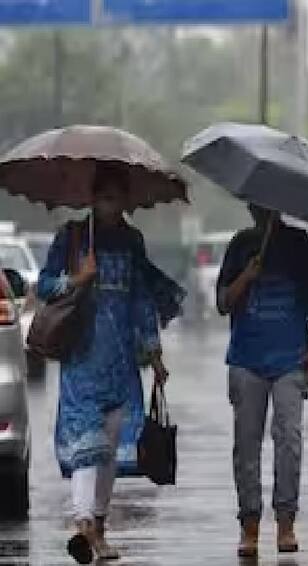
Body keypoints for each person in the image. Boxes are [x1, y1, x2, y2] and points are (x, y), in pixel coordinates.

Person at [36, 162, 184, 564]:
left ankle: (98, 529)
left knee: (110, 452)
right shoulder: (71, 238)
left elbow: (139, 301)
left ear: (126, 202)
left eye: (117, 199)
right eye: (104, 197)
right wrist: (76, 279)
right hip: (81, 361)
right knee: (88, 446)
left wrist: (154, 355)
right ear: (93, 198)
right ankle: (83, 525)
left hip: (121, 364)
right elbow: (44, 284)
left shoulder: (132, 243)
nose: (110, 205)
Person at [216, 203, 308, 558]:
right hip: (247, 360)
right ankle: (249, 526)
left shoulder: (299, 245)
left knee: (289, 439)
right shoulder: (240, 245)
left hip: (290, 359)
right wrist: (246, 276)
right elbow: (222, 303)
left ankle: (285, 523)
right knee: (246, 446)